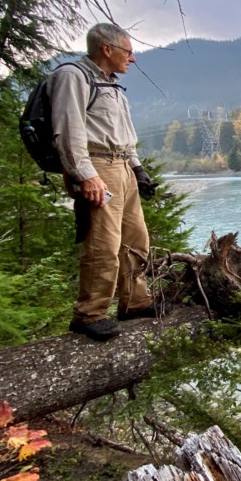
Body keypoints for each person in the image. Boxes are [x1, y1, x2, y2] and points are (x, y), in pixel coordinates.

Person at [49, 22, 162, 341]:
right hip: (98, 165)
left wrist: (138, 169)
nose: (133, 58)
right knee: (103, 243)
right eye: (128, 51)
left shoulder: (111, 84)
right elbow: (67, 132)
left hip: (122, 166)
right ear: (106, 49)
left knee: (136, 239)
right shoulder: (73, 76)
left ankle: (135, 302)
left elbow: (124, 135)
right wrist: (86, 175)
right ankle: (90, 313)